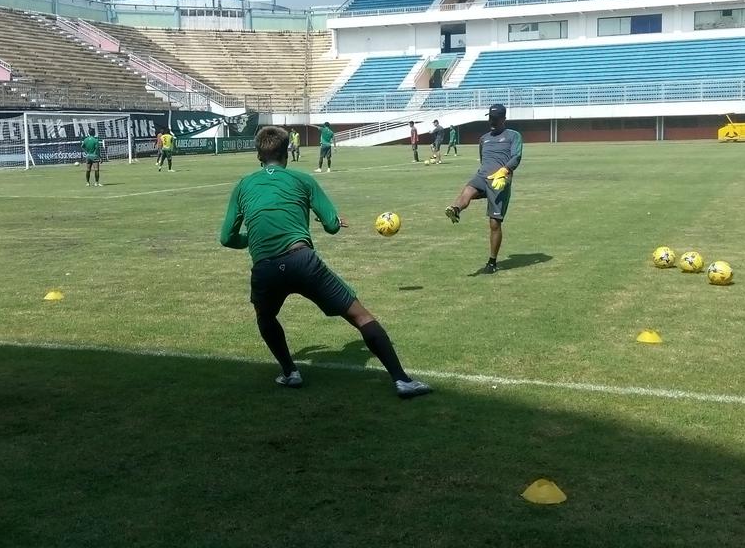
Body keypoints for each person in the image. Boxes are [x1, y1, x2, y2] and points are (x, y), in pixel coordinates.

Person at [219, 125, 431, 398]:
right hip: (301, 261)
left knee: (265, 315)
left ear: (258, 156)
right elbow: (332, 226)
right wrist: (326, 220)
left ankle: (290, 372)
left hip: (266, 268)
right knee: (360, 315)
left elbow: (226, 238)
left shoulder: (243, 185)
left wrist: (256, 239)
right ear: (287, 154)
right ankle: (402, 380)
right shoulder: (303, 180)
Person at [444, 104, 523, 274]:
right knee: (468, 189)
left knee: (494, 224)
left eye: (495, 119)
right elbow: (482, 159)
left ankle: (492, 262)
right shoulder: (483, 138)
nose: (492, 122)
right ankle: (455, 209)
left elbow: (517, 156)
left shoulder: (513, 136)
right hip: (482, 176)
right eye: (490, 118)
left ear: (503, 119)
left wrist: (505, 171)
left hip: (499, 181)